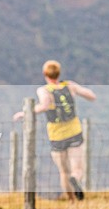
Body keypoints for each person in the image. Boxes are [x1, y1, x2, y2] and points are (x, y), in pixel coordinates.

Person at [13, 59, 96, 200]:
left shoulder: (44, 90)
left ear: (45, 74)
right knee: (77, 169)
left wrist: (25, 112)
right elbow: (91, 96)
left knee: (64, 172)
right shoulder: (69, 86)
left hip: (57, 135)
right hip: (74, 132)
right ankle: (75, 179)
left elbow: (44, 106)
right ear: (59, 73)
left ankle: (71, 201)